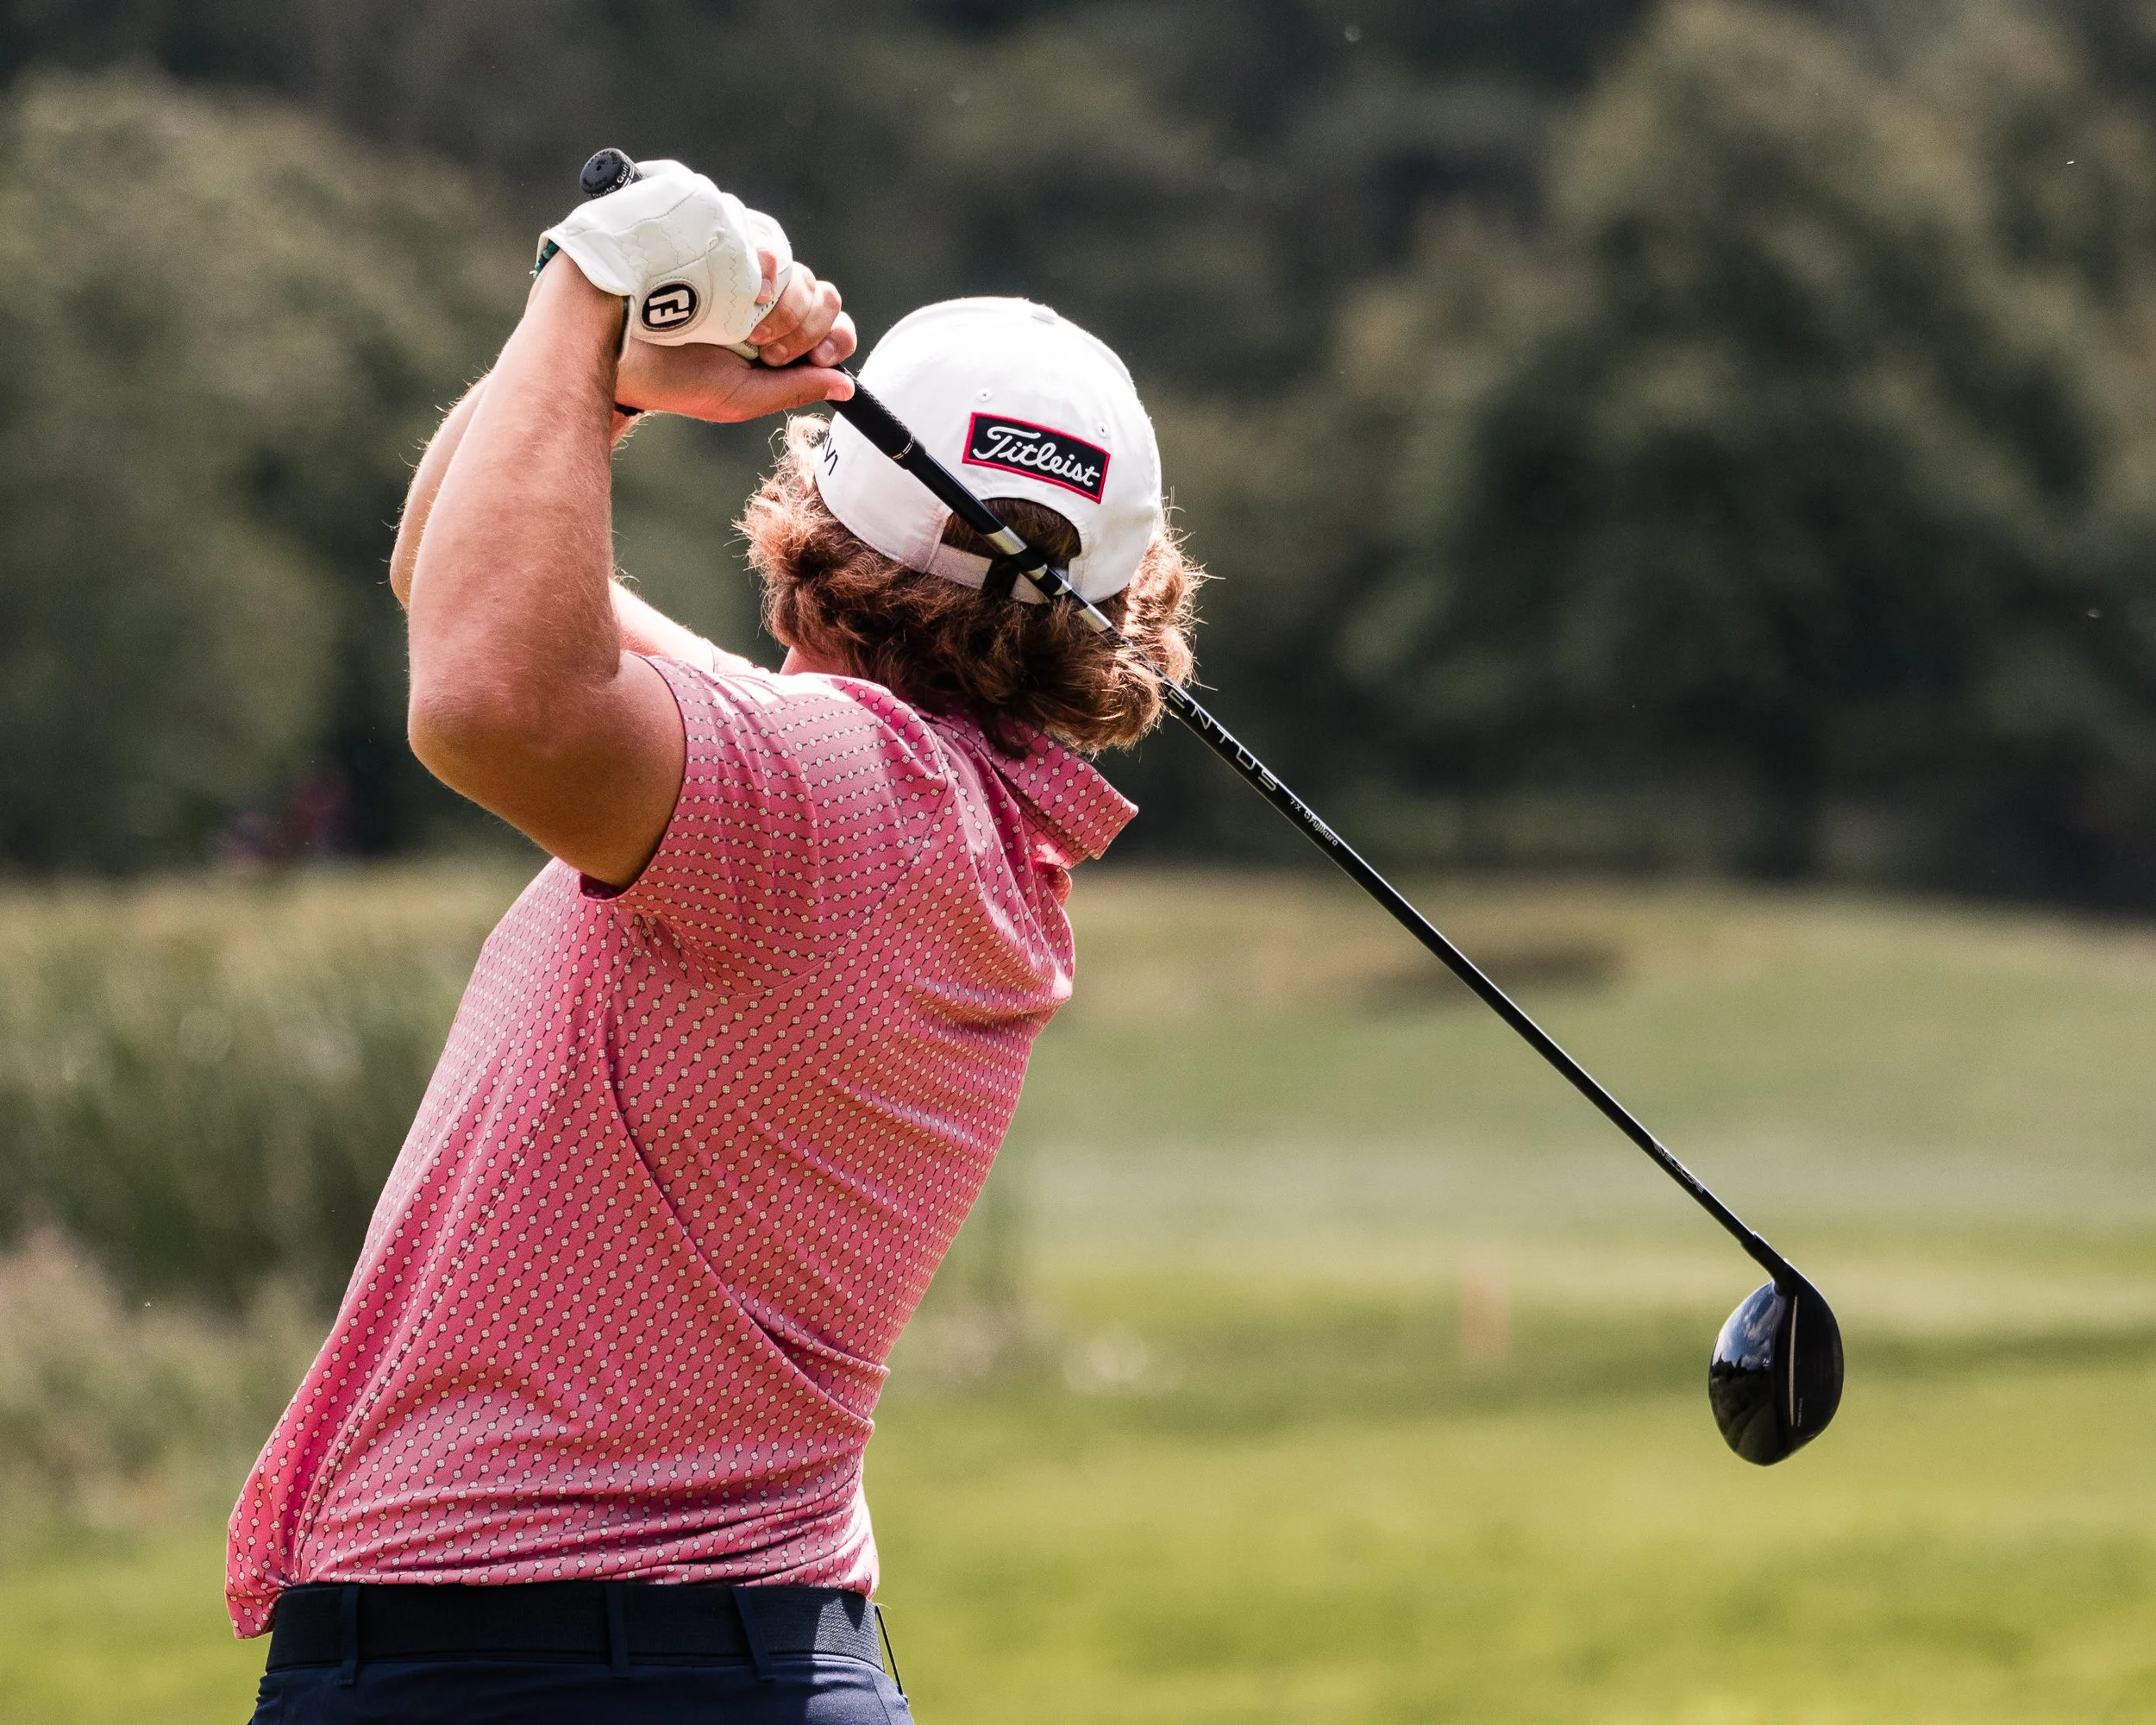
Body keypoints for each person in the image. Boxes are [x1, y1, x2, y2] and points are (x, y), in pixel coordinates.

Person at [228, 161, 1201, 1722]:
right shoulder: (935, 821)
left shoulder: (835, 800)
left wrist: (592, 278)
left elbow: (488, 693)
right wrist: (596, 375)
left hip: (521, 1662)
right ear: (1130, 593)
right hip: (719, 1654)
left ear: (816, 510)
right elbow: (457, 580)